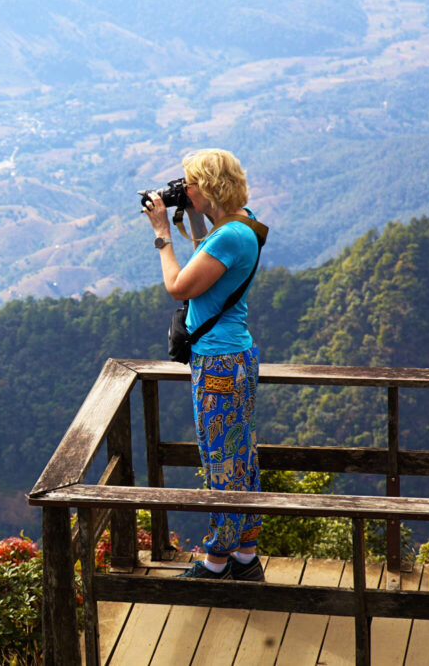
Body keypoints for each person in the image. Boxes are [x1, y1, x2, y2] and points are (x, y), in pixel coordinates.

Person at [141, 148, 265, 581]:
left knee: (222, 463)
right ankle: (246, 557)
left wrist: (161, 234)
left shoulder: (228, 237)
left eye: (189, 183)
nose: (184, 189)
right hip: (237, 358)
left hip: (218, 363)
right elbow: (208, 247)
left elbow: (179, 286)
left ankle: (216, 563)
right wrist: (191, 210)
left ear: (209, 187)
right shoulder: (241, 222)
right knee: (240, 456)